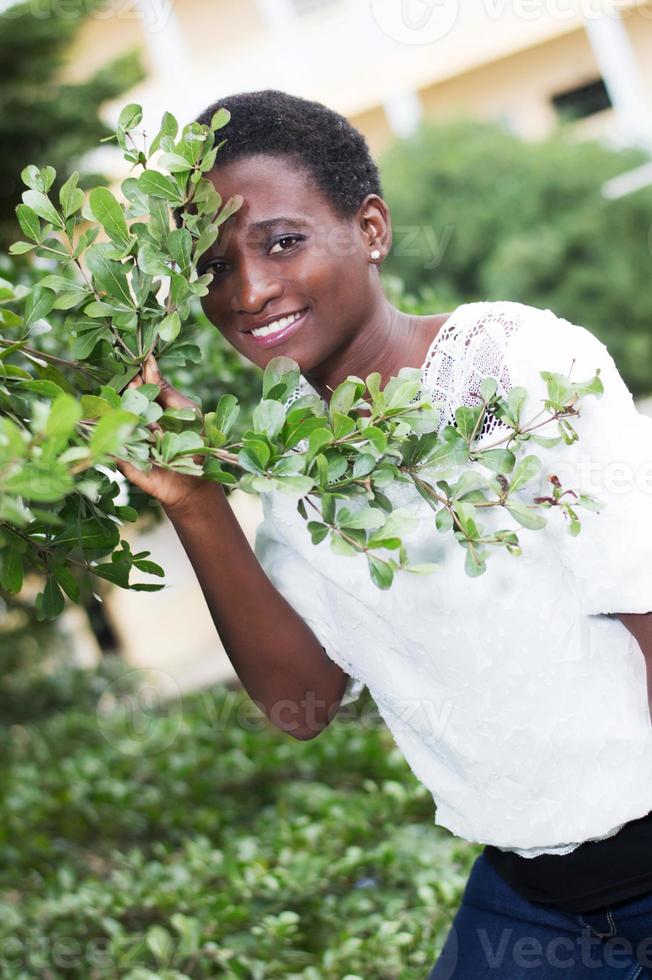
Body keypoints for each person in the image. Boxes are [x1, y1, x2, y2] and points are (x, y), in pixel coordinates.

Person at [116, 89, 652, 977]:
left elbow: (646, 601)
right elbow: (307, 699)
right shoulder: (289, 456)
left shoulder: (515, 368)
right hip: (534, 898)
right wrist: (195, 501)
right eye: (214, 267)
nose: (249, 290)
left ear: (370, 228)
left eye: (282, 241)